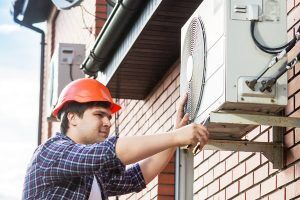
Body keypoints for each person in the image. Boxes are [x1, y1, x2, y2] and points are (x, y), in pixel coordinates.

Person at [22, 78, 209, 199]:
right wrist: (175, 136)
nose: (107, 122)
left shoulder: (90, 173)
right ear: (72, 117)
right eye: (99, 115)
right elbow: (109, 152)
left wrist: (175, 137)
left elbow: (136, 177)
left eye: (109, 117)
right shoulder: (51, 152)